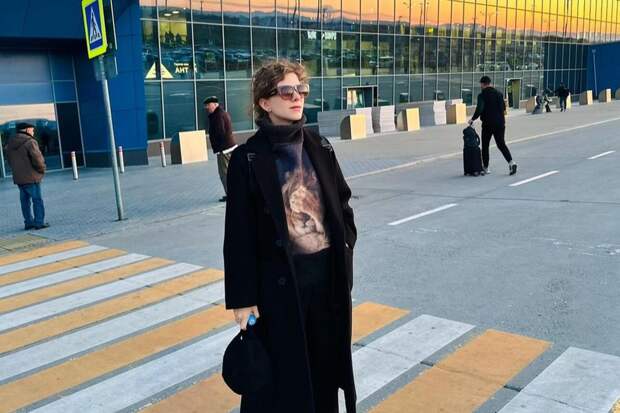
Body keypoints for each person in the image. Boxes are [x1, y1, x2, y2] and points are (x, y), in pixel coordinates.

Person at [224, 60, 357, 413]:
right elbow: (237, 234)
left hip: (327, 279)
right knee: (285, 376)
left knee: (325, 367)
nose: (297, 96)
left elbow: (342, 202)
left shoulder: (320, 146)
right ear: (265, 102)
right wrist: (242, 298)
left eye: (301, 89)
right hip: (280, 284)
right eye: (286, 91)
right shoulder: (247, 159)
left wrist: (345, 247)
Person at [469, 75, 518, 176]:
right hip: (500, 123)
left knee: (485, 145)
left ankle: (486, 168)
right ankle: (511, 162)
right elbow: (504, 108)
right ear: (490, 83)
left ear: (483, 84)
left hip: (488, 124)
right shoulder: (499, 94)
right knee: (501, 144)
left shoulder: (482, 95)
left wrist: (472, 119)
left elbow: (480, 108)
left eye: (481, 84)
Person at [4, 122, 49, 230]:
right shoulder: (30, 142)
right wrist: (42, 169)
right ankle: (39, 223)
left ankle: (28, 222)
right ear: (27, 129)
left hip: (19, 178)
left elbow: (9, 161)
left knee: (25, 202)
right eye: (32, 129)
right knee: (37, 200)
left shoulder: (10, 143)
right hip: (32, 178)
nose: (33, 132)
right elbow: (38, 159)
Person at [204, 96, 236, 202]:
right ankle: (233, 193)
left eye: (208, 105)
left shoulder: (218, 116)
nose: (206, 107)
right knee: (229, 172)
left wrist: (218, 147)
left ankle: (231, 195)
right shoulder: (221, 113)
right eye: (206, 105)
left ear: (215, 104)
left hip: (224, 149)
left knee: (224, 173)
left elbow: (220, 132)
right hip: (228, 147)